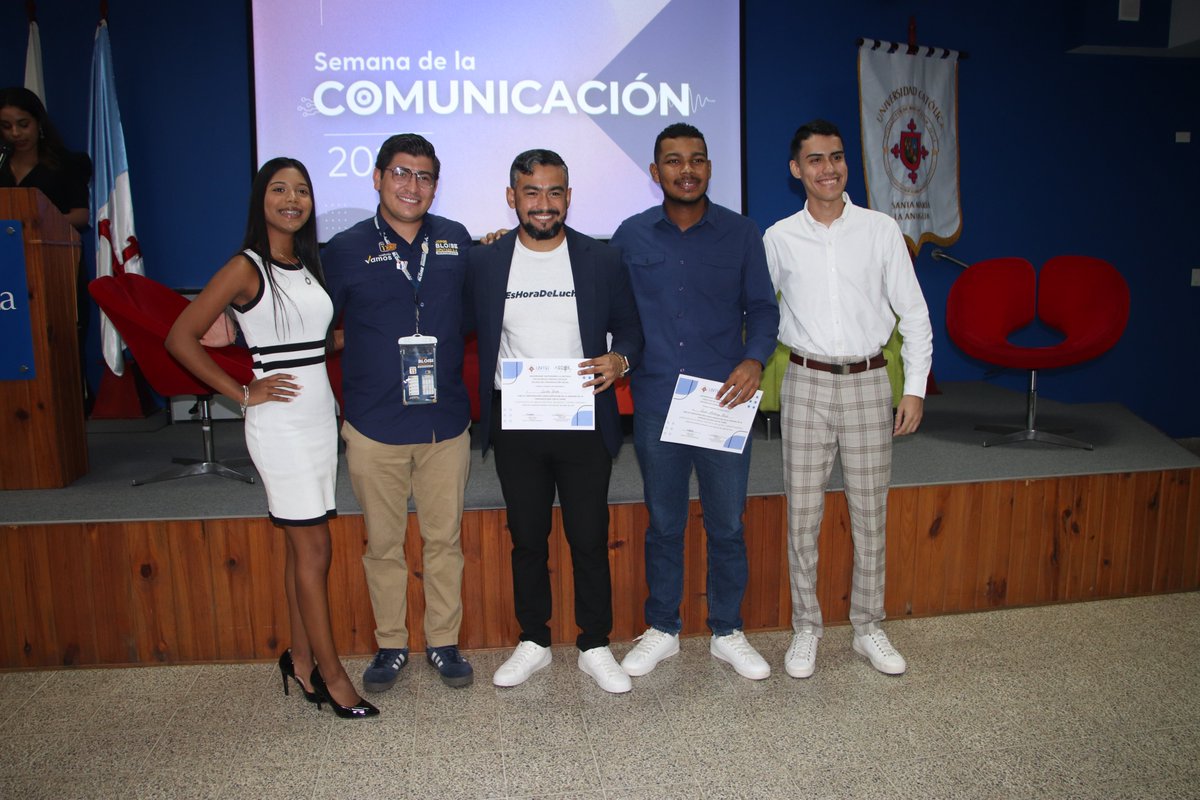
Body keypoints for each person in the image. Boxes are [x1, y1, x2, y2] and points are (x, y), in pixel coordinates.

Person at [166, 157, 378, 718]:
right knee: (316, 549)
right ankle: (333, 676)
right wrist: (240, 393)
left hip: (315, 415)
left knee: (300, 548)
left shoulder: (306, 264)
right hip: (279, 424)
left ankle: (301, 661)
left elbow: (313, 343)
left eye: (302, 190)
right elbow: (180, 337)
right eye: (280, 189)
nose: (292, 199)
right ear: (261, 200)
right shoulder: (245, 267)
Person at [468, 149, 643, 694]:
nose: (543, 204)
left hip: (583, 414)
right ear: (511, 197)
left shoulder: (601, 258)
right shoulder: (486, 261)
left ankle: (594, 643)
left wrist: (621, 361)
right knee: (527, 537)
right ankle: (534, 642)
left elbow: (632, 330)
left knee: (589, 536)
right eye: (531, 192)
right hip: (517, 418)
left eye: (554, 192)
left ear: (569, 195)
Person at [762, 119, 932, 678]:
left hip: (867, 381)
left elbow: (914, 315)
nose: (827, 168)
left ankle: (867, 627)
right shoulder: (778, 237)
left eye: (836, 157)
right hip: (806, 383)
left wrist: (913, 389)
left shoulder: (881, 230)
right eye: (815, 159)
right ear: (796, 169)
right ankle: (806, 629)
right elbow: (759, 312)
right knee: (803, 514)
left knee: (869, 511)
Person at [611, 123, 780, 681]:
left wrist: (755, 358)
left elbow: (763, 308)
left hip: (722, 401)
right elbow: (609, 307)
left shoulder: (741, 233)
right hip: (658, 400)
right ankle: (663, 628)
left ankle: (727, 630)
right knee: (664, 523)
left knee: (727, 523)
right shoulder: (630, 237)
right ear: (654, 171)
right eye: (674, 160)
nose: (688, 169)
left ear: (709, 167)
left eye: (698, 159)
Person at [321, 134, 474, 691]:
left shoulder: (456, 240)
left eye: (425, 176)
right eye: (402, 174)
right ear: (379, 177)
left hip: (445, 424)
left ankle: (443, 642)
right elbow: (318, 324)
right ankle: (390, 645)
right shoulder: (343, 248)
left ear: (436, 184)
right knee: (382, 545)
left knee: (444, 541)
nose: (413, 186)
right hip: (374, 424)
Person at [1, 87, 94, 406]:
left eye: (22, 123)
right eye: (6, 126)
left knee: (56, 351)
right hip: (7, 278)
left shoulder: (66, 164)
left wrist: (32, 227)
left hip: (51, 271)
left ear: (39, 122)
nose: (15, 133)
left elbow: (81, 214)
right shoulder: (0, 165)